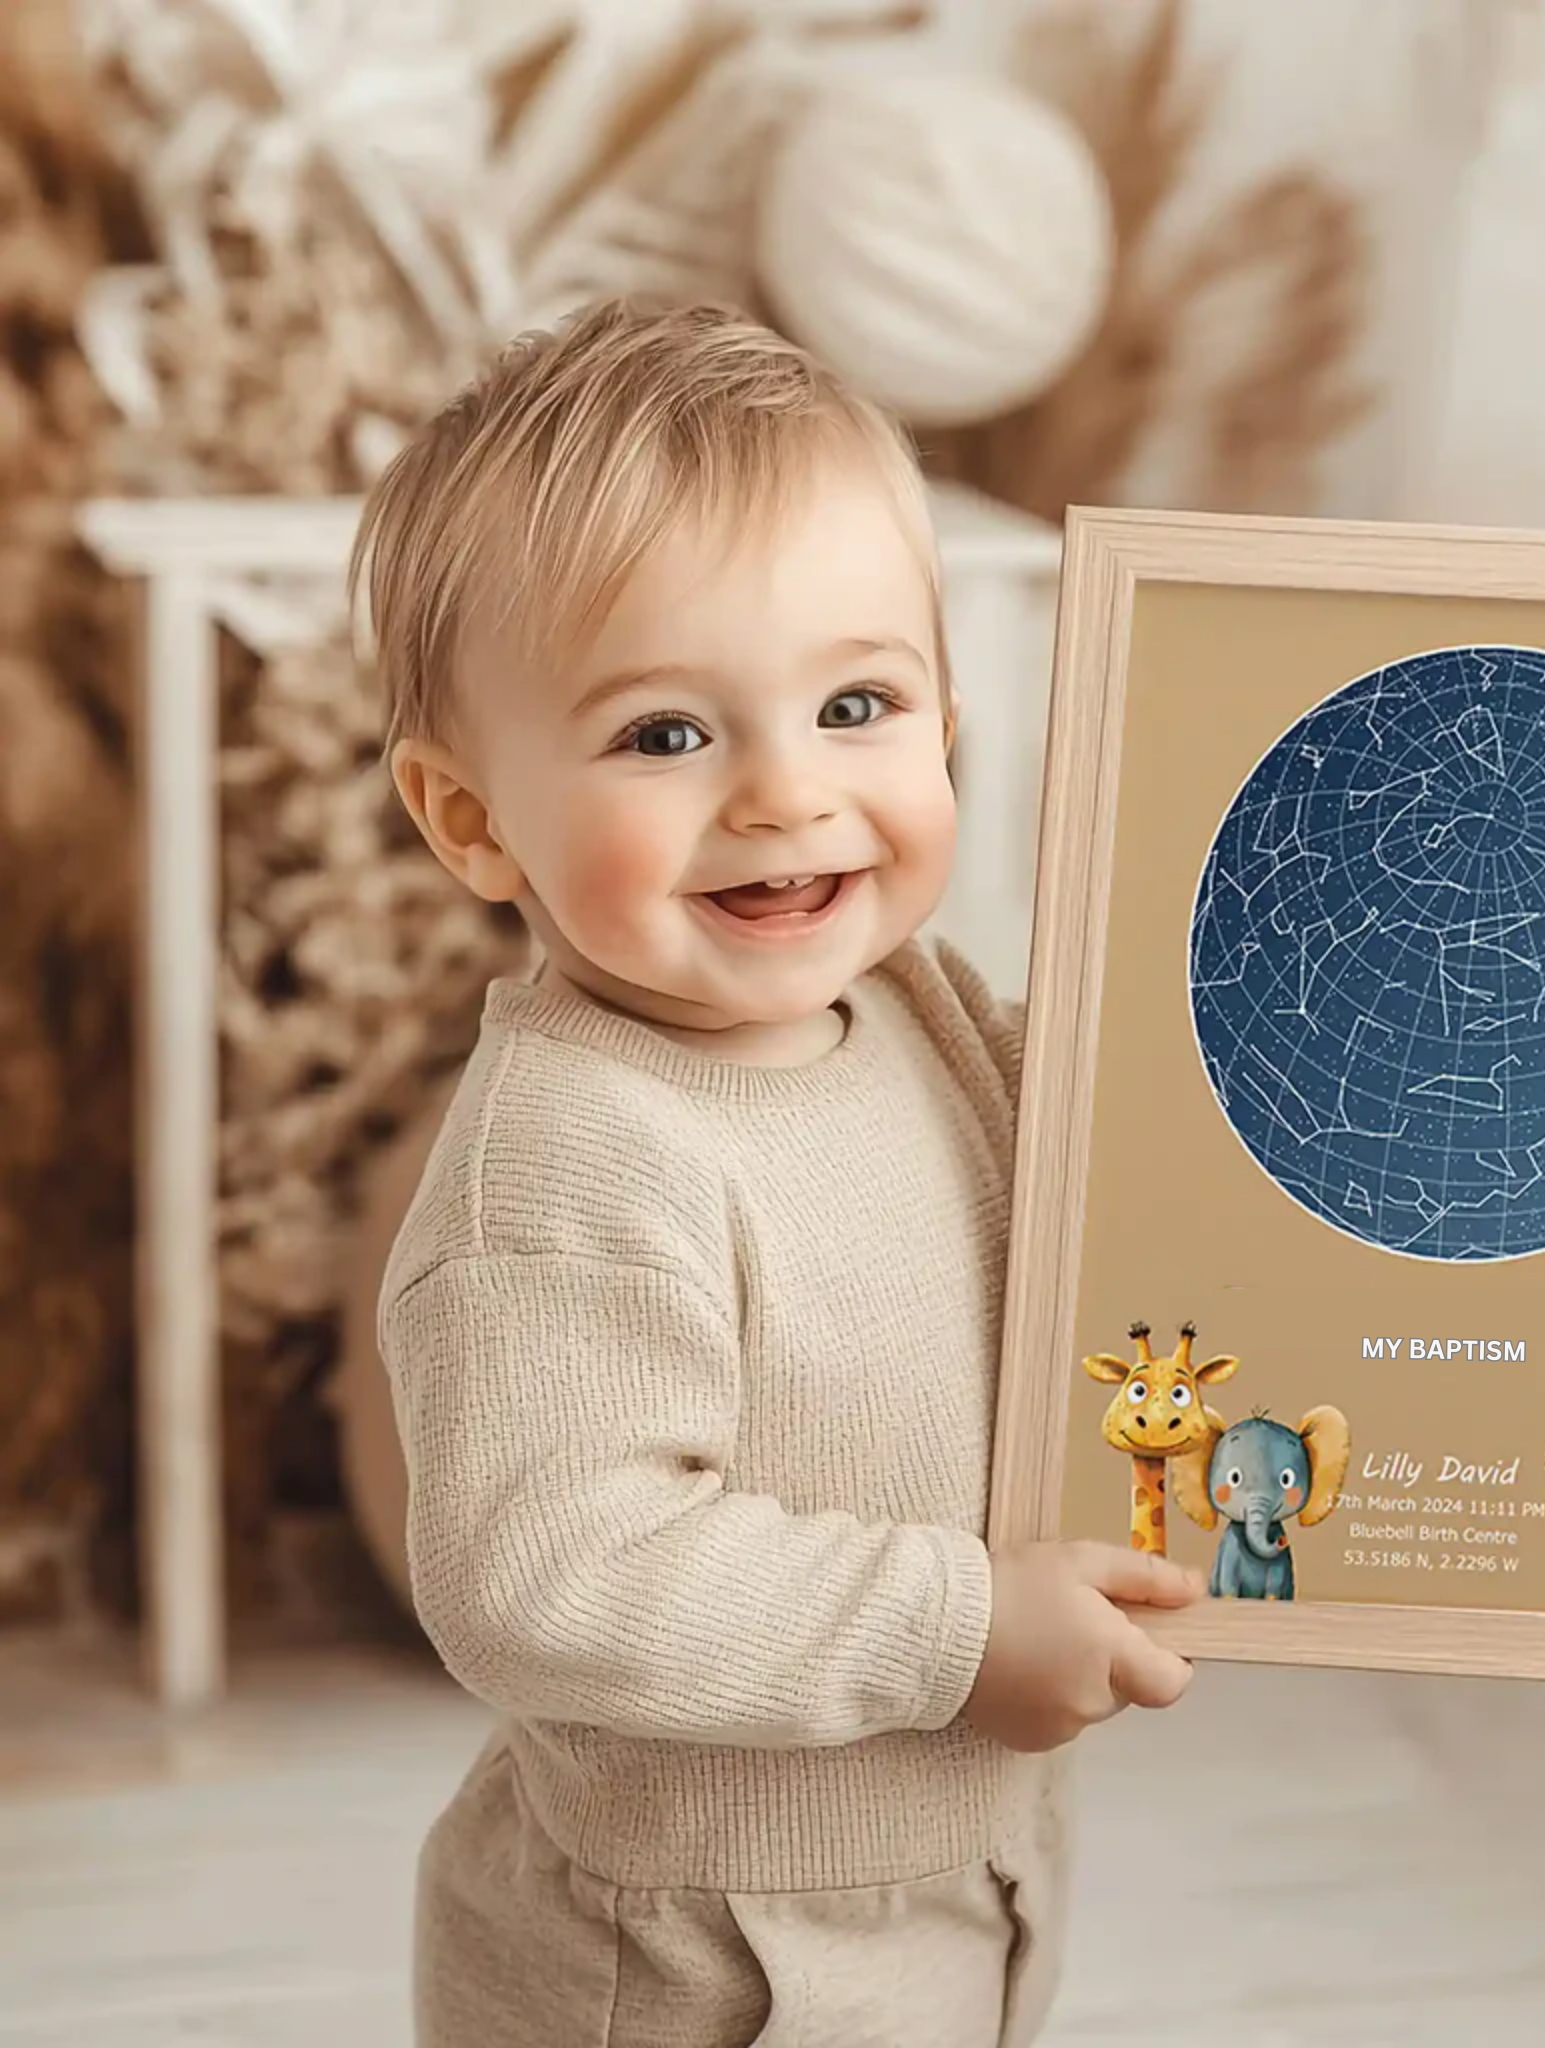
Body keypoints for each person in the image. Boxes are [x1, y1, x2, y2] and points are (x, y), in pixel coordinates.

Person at [351, 297, 1206, 2048]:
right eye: (666, 734)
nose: (784, 793)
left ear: (948, 716)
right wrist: (960, 1628)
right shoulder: (571, 1165)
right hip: (685, 1966)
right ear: (470, 818)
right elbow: (550, 1566)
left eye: (857, 703)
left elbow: (1143, 1151)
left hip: (956, 1874)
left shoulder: (917, 1012)